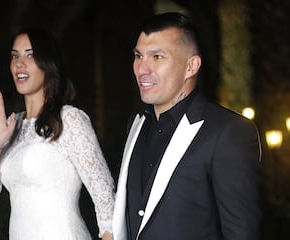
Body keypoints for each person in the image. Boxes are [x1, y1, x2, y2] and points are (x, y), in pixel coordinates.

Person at [112, 12, 262, 240]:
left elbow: (242, 232)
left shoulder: (228, 131)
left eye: (157, 57)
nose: (142, 69)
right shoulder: (136, 123)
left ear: (191, 66)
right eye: (138, 56)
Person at [0, 27, 115, 240]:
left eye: (30, 55)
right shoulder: (12, 125)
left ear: (48, 64)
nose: (20, 63)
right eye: (15, 56)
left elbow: (105, 200)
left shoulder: (69, 119)